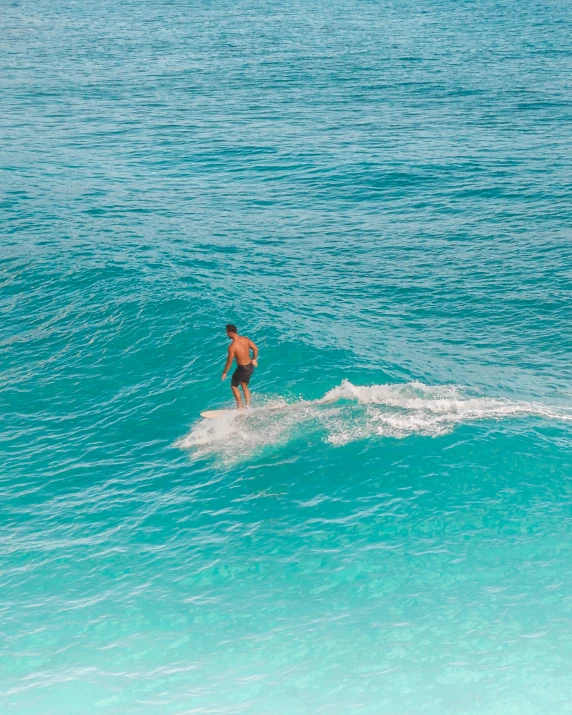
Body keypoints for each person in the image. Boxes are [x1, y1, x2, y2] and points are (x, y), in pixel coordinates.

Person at [221, 324, 258, 408]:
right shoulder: (246, 339)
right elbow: (255, 348)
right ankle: (248, 405)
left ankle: (240, 407)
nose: (226, 334)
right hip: (250, 367)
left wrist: (225, 372)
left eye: (227, 332)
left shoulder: (232, 346)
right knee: (244, 384)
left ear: (231, 333)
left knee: (234, 386)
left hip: (242, 368)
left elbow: (229, 362)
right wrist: (254, 359)